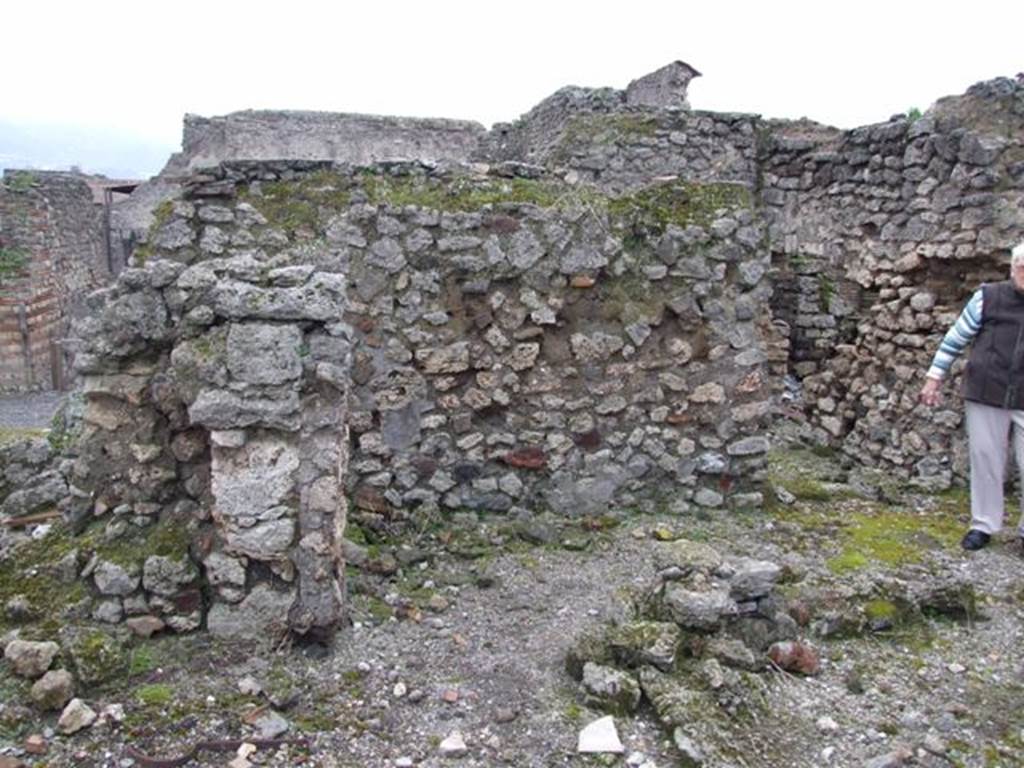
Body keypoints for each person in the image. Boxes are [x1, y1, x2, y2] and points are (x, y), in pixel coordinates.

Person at [920, 240, 1024, 550]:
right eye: (1022, 268)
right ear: (1012, 268)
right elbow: (955, 339)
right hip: (986, 390)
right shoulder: (988, 297)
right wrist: (933, 378)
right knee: (986, 459)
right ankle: (983, 525)